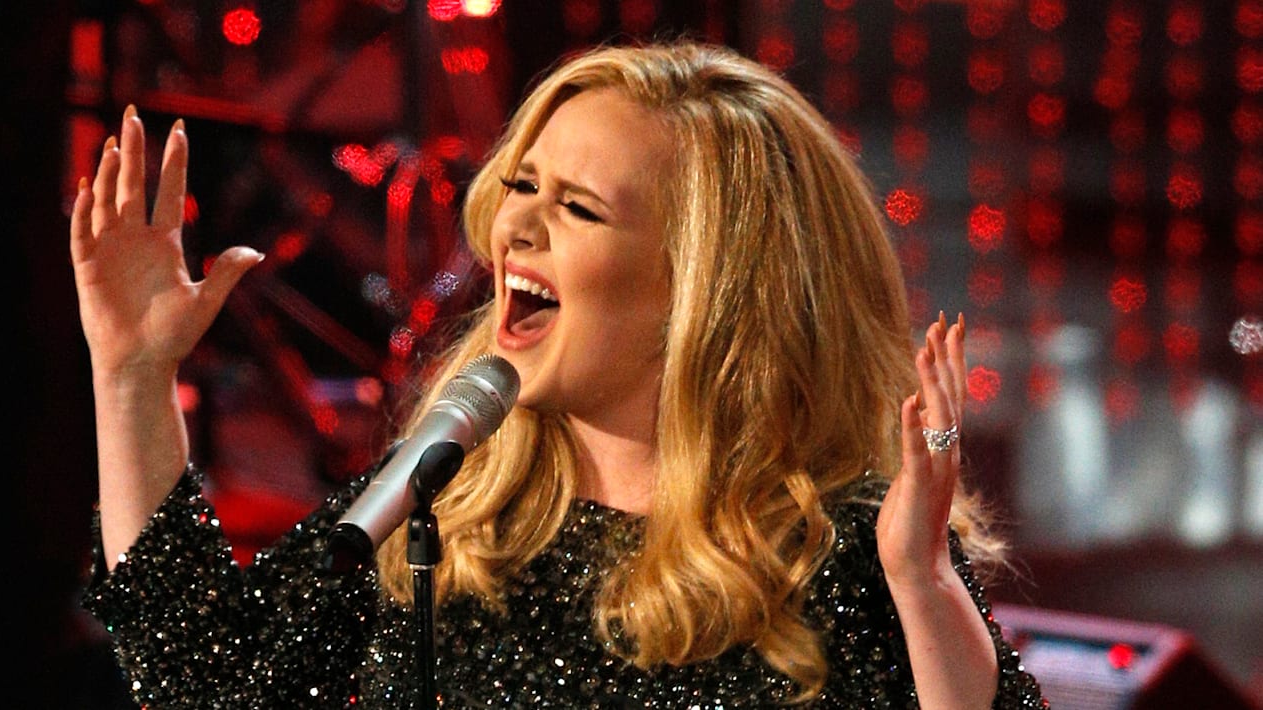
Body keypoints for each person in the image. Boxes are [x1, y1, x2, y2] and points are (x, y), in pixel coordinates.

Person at [73, 41, 1044, 707]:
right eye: (522, 185)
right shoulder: (448, 504)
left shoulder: (843, 544)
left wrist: (921, 585)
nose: (515, 226)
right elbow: (208, 677)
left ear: (705, 287)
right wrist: (131, 375)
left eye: (577, 207)